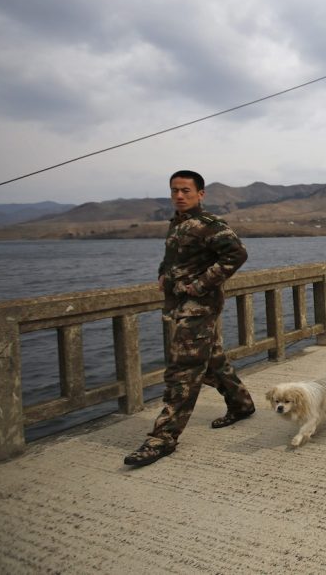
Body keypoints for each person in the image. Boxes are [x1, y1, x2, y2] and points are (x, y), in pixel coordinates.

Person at [124, 170, 256, 467]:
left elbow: (237, 254)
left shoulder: (209, 225)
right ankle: (242, 405)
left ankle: (162, 438)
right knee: (212, 360)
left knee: (182, 372)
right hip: (179, 305)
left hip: (198, 308)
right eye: (174, 191)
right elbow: (174, 258)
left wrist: (200, 284)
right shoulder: (177, 224)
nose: (179, 196)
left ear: (201, 194)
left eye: (185, 190)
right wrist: (162, 273)